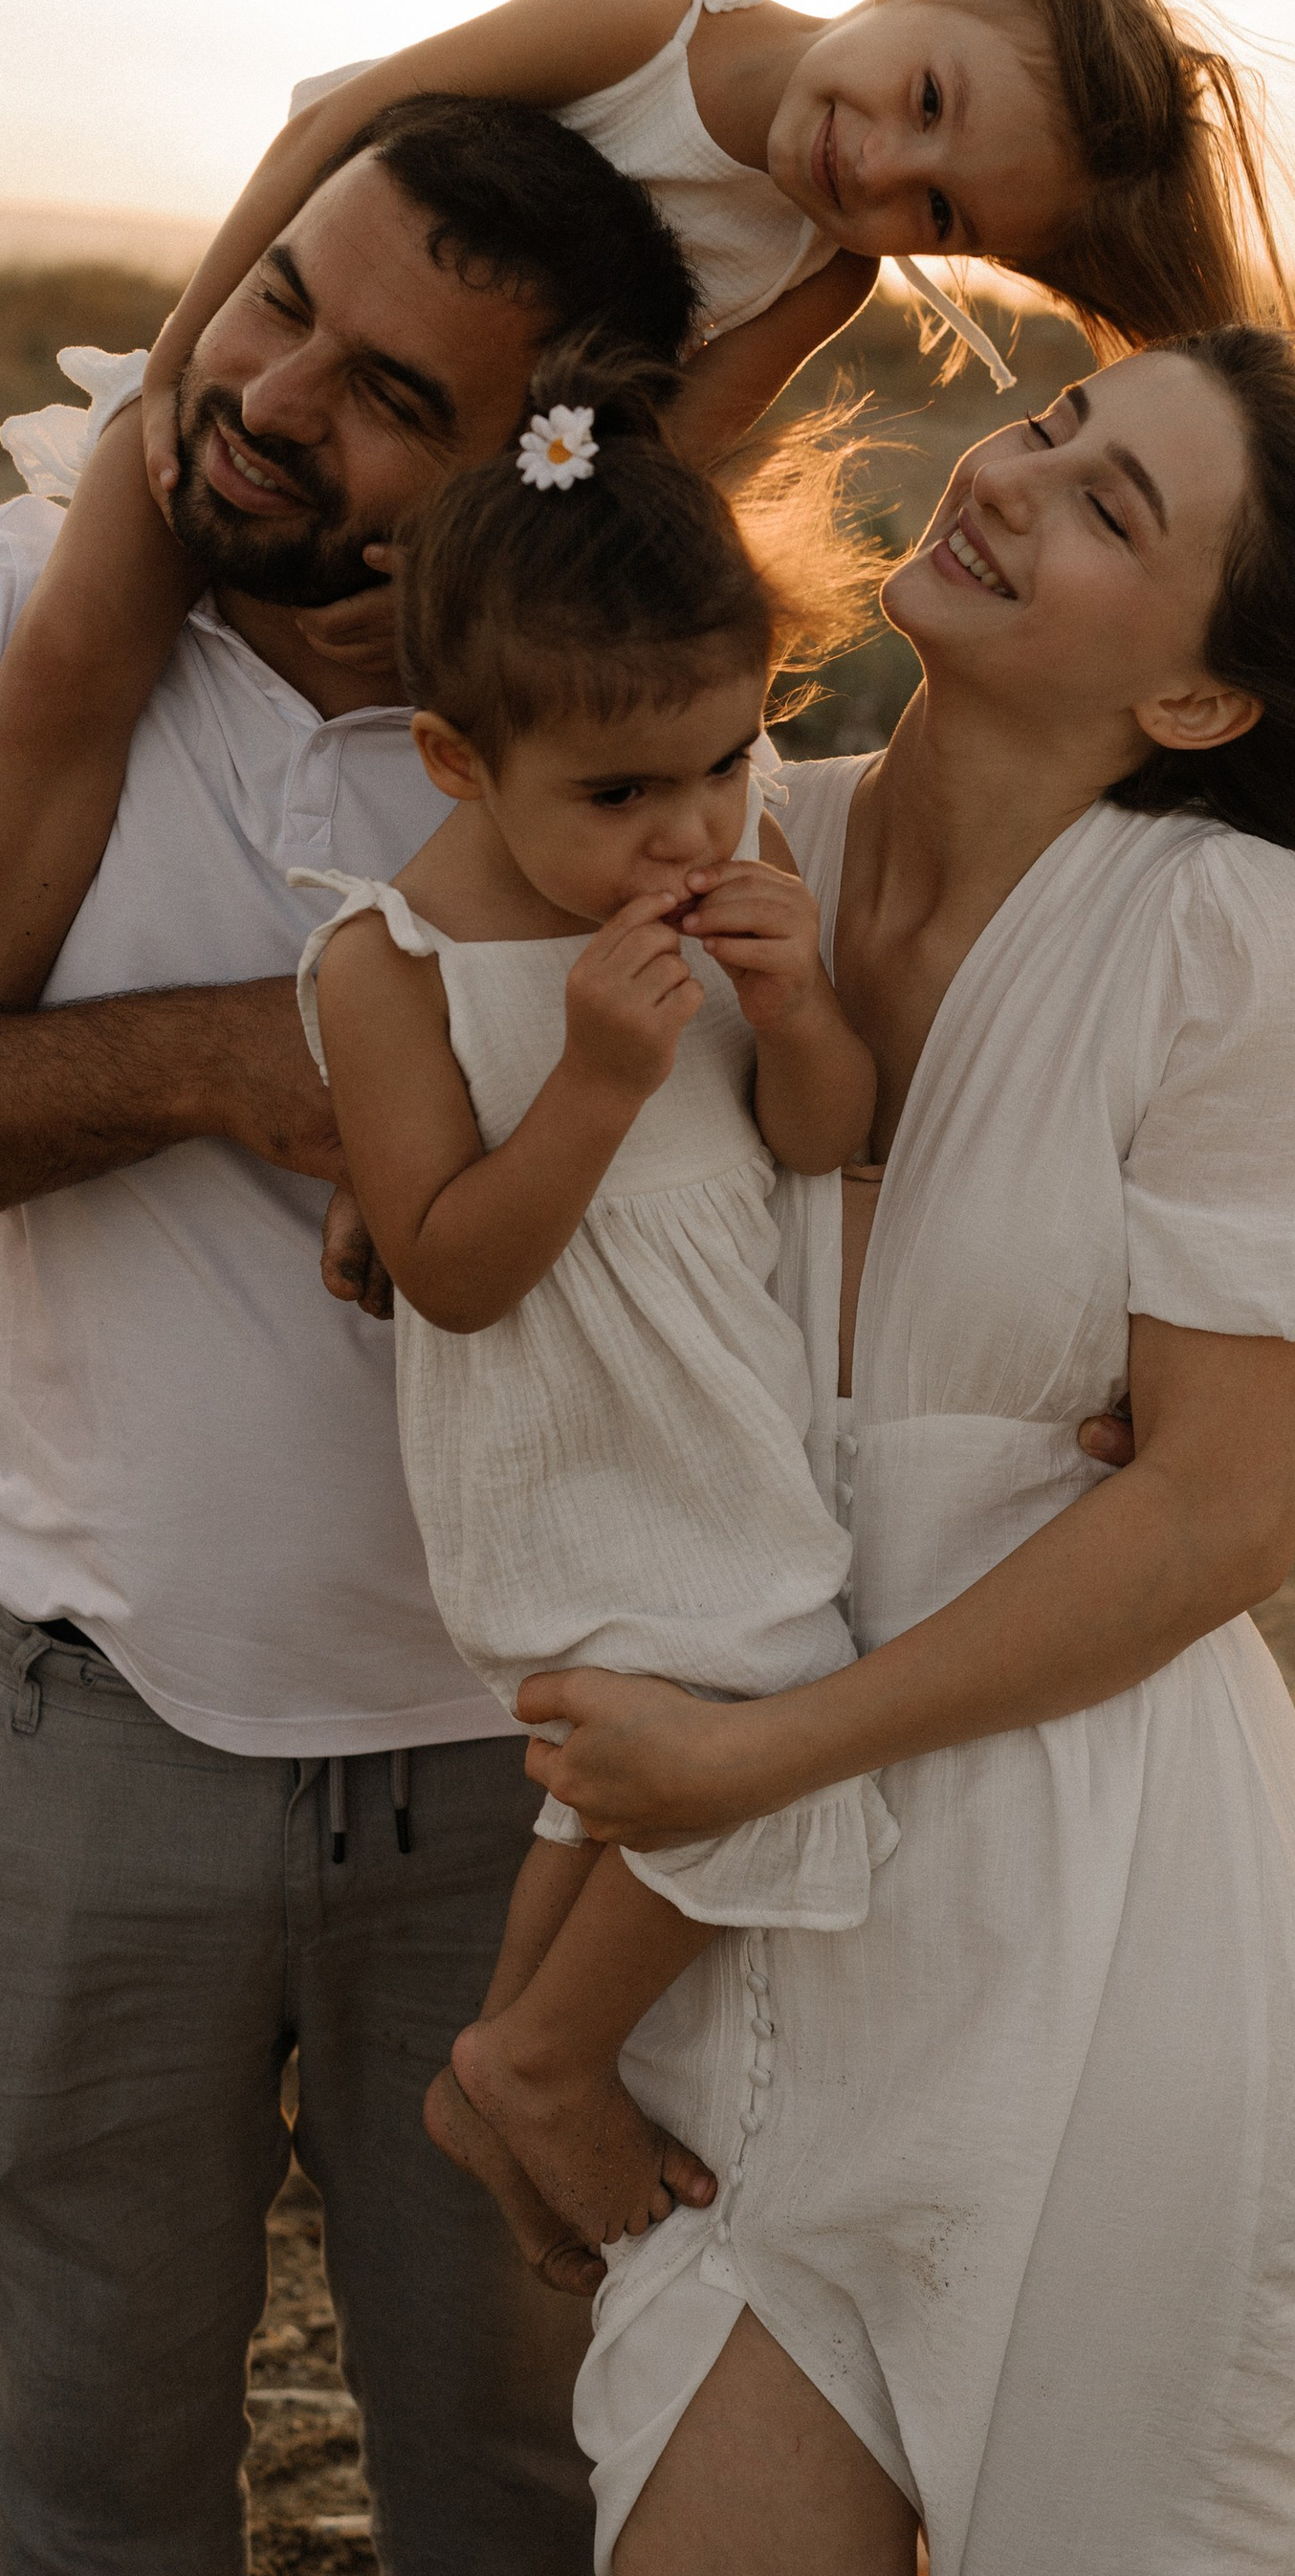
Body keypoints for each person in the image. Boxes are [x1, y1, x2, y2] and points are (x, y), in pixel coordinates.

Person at [514, 331, 1295, 2574]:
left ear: (1196, 701)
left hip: (1069, 1927)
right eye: (1049, 425)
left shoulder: (1228, 940)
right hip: (722, 1923)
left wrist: (756, 1763)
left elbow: (1208, 1513)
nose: (1011, 477)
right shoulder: (742, 842)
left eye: (1110, 507)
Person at [0, 99, 706, 2576]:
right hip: (87, 1734)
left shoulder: (646, 709)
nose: (268, 389)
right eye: (278, 302)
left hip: (545, 1780)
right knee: (86, 2494)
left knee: (548, 2492)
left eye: (387, 394)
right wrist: (239, 1058)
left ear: (529, 467)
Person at [0, 0, 1291, 1030]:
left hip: (479, 494)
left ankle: (418, 1073)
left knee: (530, 765)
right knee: (82, 646)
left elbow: (659, 457)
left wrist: (469, 573)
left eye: (939, 208)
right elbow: (343, 123)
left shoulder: (824, 274)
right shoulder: (647, 20)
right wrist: (174, 371)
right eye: (925, 98)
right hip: (262, 367)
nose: (875, 168)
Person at [290, 356, 888, 2291]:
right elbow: (447, 1267)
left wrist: (797, 1013)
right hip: (569, 1432)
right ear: (457, 763)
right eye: (617, 793)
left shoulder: (741, 861)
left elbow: (820, 1146)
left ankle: (496, 2055)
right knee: (761, 1704)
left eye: (724, 762)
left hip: (721, 1407)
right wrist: (593, 1087)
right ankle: (549, 2057)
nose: (685, 831)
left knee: (664, 1734)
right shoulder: (389, 964)